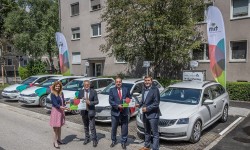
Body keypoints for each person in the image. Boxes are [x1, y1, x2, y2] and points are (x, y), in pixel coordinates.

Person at [137, 76, 161, 150]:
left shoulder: (155, 89)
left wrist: (147, 109)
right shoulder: (144, 89)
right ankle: (147, 146)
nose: (147, 82)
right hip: (145, 115)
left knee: (155, 133)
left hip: (153, 115)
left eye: (148, 80)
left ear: (151, 81)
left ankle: (155, 148)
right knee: (147, 131)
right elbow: (143, 101)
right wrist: (139, 104)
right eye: (145, 80)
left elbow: (156, 103)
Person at [109, 76, 131, 150]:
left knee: (124, 128)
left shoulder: (126, 89)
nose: (118, 83)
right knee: (114, 128)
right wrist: (117, 106)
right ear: (115, 83)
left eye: (119, 82)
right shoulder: (112, 90)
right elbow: (111, 101)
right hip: (115, 112)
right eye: (117, 82)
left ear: (121, 82)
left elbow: (129, 98)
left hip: (124, 112)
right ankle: (113, 140)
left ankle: (123, 142)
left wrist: (128, 100)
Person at [78, 80, 99, 147]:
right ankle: (87, 138)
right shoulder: (81, 92)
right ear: (83, 86)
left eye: (88, 84)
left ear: (89, 85)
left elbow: (97, 101)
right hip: (84, 112)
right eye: (85, 85)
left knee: (92, 127)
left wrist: (90, 102)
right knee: (85, 126)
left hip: (91, 111)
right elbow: (78, 100)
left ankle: (94, 140)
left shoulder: (93, 92)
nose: (86, 86)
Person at [50, 81, 67, 149]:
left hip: (61, 111)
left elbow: (63, 101)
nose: (57, 87)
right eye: (56, 86)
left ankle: (59, 139)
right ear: (54, 87)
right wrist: (61, 107)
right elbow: (55, 103)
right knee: (55, 128)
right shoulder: (52, 94)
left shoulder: (61, 93)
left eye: (59, 86)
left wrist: (66, 103)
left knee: (59, 126)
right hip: (56, 111)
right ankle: (55, 142)